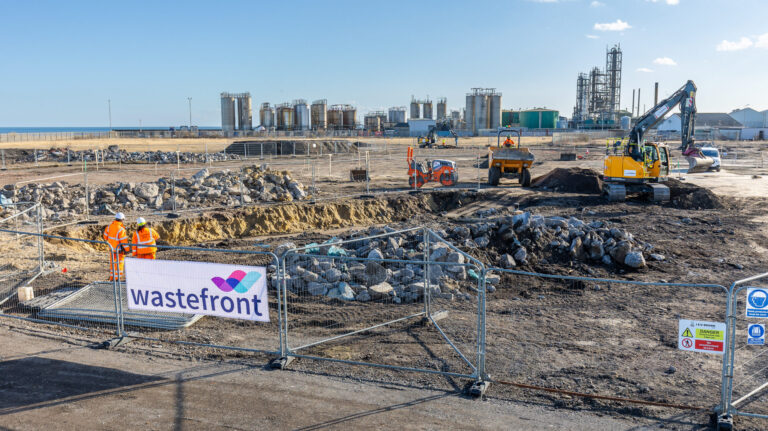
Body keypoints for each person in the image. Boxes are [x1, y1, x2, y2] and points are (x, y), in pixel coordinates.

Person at [103, 212, 129, 281]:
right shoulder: (121, 229)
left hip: (111, 249)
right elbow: (124, 241)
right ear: (122, 219)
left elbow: (105, 237)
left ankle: (112, 277)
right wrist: (127, 249)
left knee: (112, 264)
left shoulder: (109, 227)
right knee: (119, 264)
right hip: (119, 250)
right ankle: (117, 278)